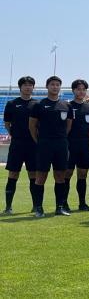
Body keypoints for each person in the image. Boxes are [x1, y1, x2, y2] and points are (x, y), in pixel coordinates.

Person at [29, 76, 73, 217]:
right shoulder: (39, 105)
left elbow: (68, 125)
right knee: (41, 176)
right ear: (47, 87)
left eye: (57, 85)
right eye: (52, 84)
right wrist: (40, 141)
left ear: (60, 87)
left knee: (60, 176)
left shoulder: (66, 105)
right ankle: (38, 207)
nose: (55, 87)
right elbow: (32, 126)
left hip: (61, 144)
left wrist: (60, 138)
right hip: (44, 144)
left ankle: (59, 207)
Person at [3, 76, 38, 214]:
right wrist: (15, 134)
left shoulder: (36, 104)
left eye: (30, 85)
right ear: (20, 87)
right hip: (17, 144)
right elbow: (7, 124)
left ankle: (35, 206)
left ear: (33, 87)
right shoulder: (12, 104)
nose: (28, 87)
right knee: (13, 174)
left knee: (33, 175)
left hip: (33, 145)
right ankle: (8, 207)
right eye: (25, 85)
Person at [64, 79, 89, 212]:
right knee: (67, 174)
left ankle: (82, 203)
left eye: (83, 89)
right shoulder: (67, 106)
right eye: (78, 89)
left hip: (84, 146)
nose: (81, 92)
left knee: (82, 174)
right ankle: (63, 203)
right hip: (70, 145)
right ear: (73, 90)